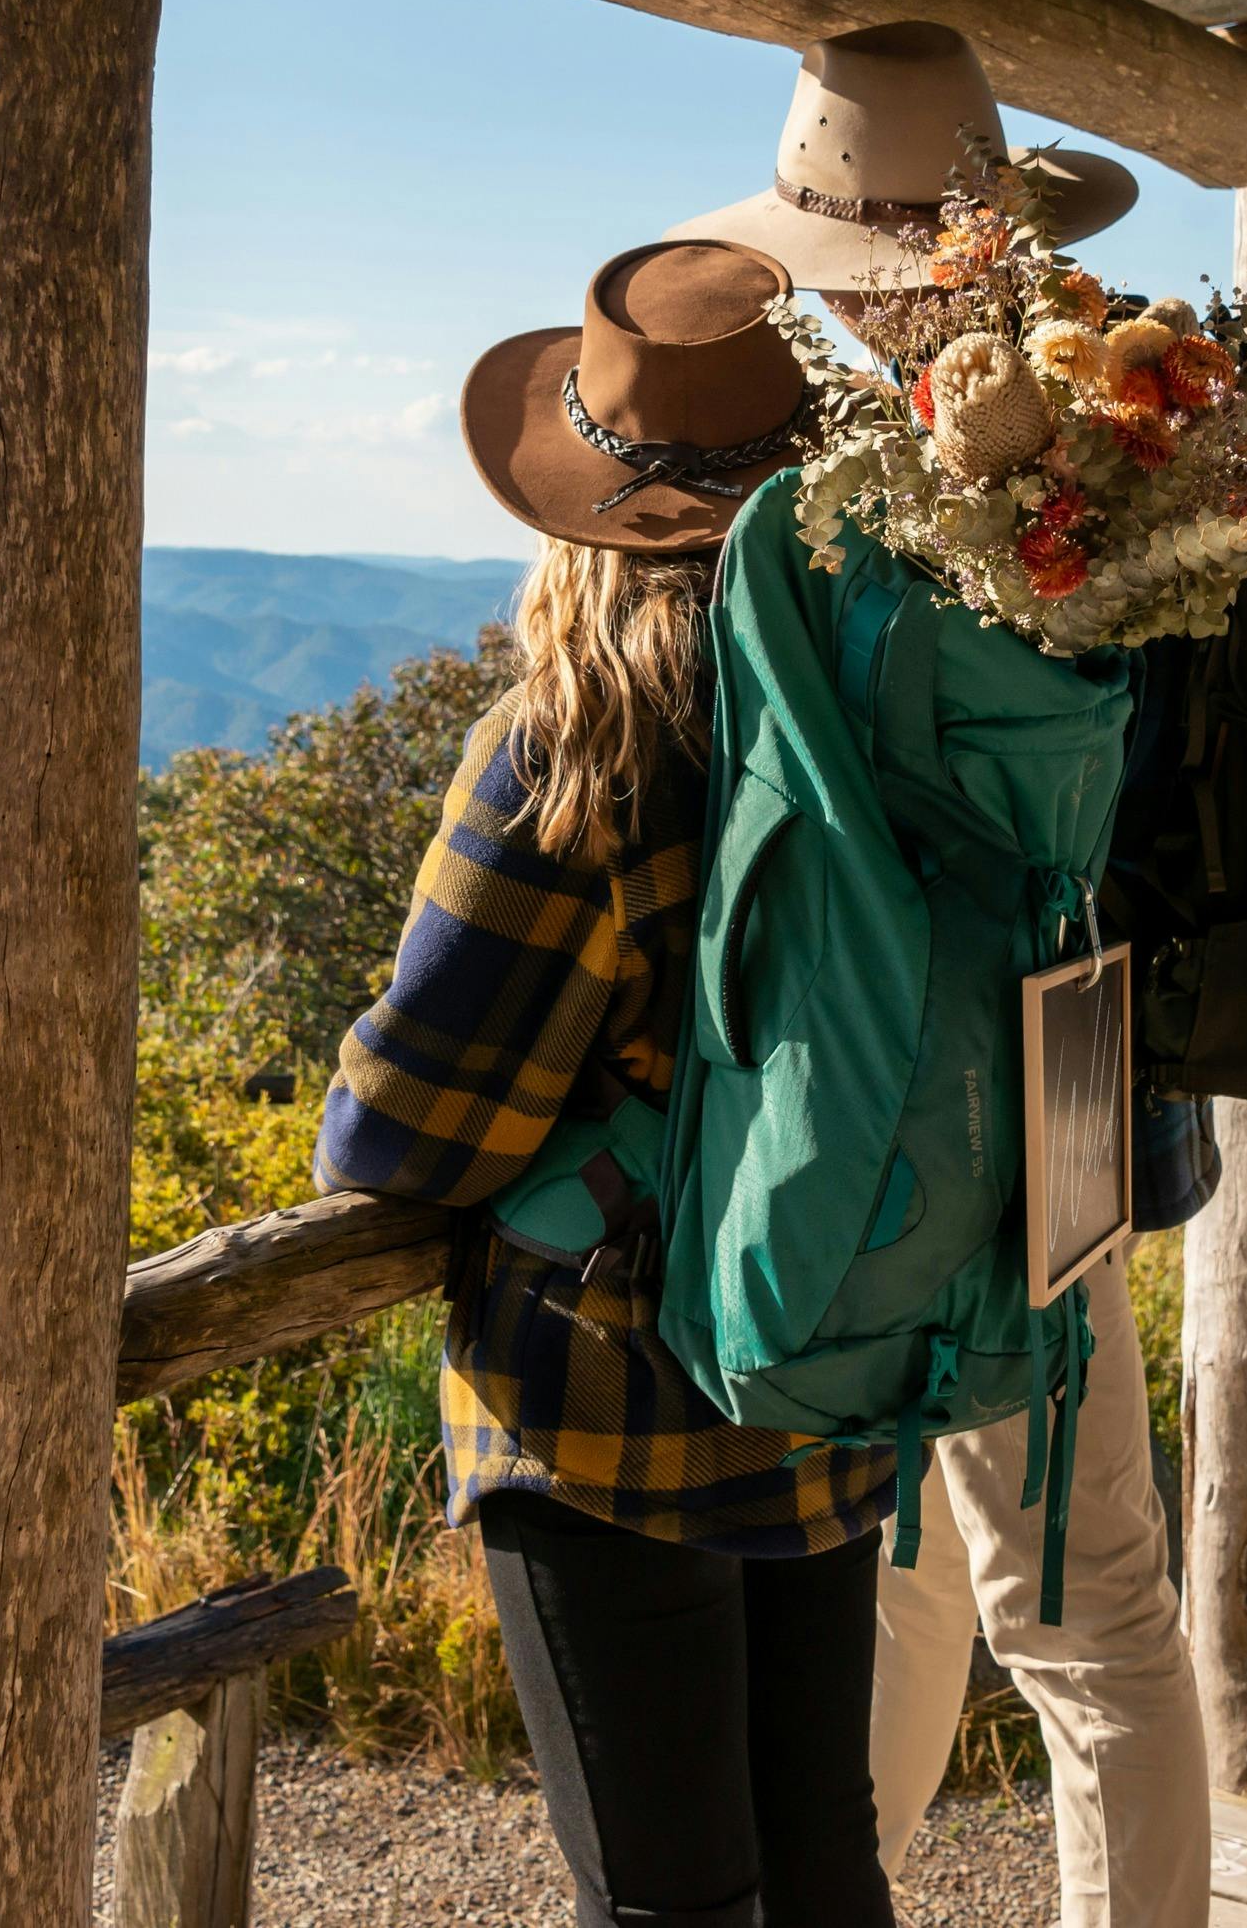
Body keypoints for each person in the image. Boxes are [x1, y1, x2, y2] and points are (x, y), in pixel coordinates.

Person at [672, 22, 1215, 1928]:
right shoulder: (1125, 476)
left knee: (882, 1567)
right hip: (1063, 1055)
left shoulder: (821, 518)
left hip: (881, 1079)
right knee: (1096, 1603)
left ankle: (866, 1886)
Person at [313, 237, 895, 1928]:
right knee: (822, 1856)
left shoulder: (581, 739)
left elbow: (412, 1123)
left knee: (670, 1897)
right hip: (834, 1345)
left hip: (614, 1400)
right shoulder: (883, 703)